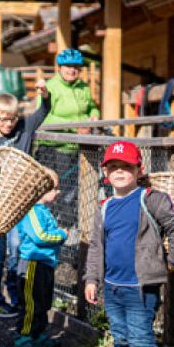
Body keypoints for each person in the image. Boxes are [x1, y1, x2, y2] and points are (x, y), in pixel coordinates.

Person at [84, 141, 174, 347]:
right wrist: (92, 279)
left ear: (139, 170)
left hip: (141, 285)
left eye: (126, 167)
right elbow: (96, 245)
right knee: (120, 335)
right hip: (113, 285)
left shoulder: (151, 199)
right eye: (113, 167)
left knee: (140, 335)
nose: (119, 172)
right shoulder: (105, 207)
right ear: (105, 173)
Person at [0, 85, 51, 318]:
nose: (8, 124)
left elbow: (43, 111)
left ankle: (17, 297)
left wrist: (44, 95)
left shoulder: (23, 130)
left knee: (17, 250)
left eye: (12, 119)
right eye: (3, 119)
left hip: (21, 205)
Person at [37, 49, 100, 220]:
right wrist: (74, 128)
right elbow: (44, 117)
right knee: (54, 188)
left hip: (78, 146)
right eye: (68, 66)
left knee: (74, 188)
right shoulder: (50, 87)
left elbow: (92, 107)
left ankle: (68, 224)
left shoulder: (84, 87)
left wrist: (94, 116)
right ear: (60, 68)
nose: (72, 70)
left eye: (76, 67)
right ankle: (48, 220)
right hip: (55, 148)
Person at [13, 170, 66, 347]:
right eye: (54, 188)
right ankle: (24, 336)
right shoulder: (33, 211)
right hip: (32, 263)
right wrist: (61, 235)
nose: (57, 192)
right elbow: (40, 236)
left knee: (43, 301)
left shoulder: (43, 211)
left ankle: (39, 333)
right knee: (31, 302)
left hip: (45, 262)